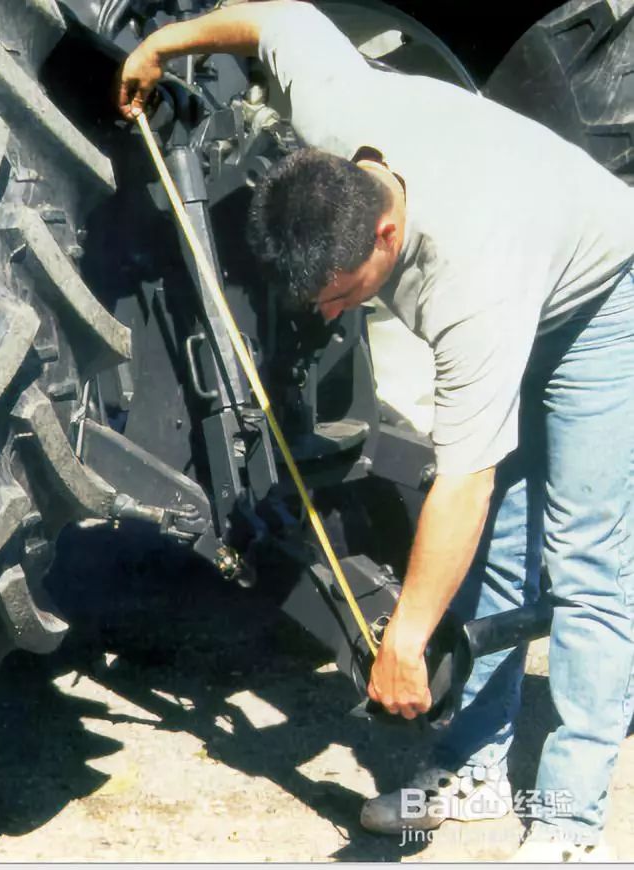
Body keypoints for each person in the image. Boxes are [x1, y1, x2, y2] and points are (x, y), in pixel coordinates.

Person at [116, 0, 634, 860]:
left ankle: (570, 815)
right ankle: (475, 771)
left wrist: (406, 638)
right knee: (499, 543)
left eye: (344, 295)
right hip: (525, 251)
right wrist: (164, 43)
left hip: (602, 287)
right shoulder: (337, 110)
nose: (328, 312)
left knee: (584, 549)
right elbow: (277, 17)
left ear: (385, 232)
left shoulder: (473, 277)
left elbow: (465, 476)